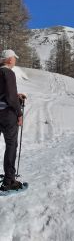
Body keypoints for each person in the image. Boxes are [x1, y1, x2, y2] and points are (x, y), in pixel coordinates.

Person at [0, 49, 26, 191]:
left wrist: (16, 95)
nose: (15, 60)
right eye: (14, 58)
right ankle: (9, 181)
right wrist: (19, 113)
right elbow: (10, 98)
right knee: (11, 145)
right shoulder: (8, 73)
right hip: (7, 115)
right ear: (9, 59)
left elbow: (5, 93)